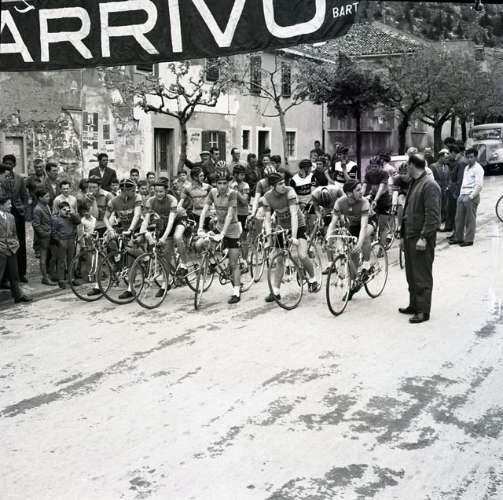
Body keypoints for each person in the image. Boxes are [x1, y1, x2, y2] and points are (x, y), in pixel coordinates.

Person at [263, 172, 321, 302]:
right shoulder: (266, 197)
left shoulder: (290, 192)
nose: (283, 185)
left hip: (298, 225)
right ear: (272, 187)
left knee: (302, 255)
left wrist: (294, 237)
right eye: (280, 184)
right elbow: (267, 219)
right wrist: (268, 239)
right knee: (279, 259)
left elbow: (294, 215)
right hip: (282, 227)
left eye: (283, 182)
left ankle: (313, 280)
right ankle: (275, 292)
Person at [400, 154, 441, 324]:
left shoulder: (429, 185)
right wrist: (402, 236)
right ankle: (414, 305)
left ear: (411, 165)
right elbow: (407, 212)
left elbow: (433, 216)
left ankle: (423, 311)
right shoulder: (415, 182)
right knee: (411, 274)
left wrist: (424, 237)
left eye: (406, 165)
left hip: (421, 237)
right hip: (410, 236)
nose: (405, 168)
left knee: (421, 275)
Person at [198, 173, 242, 305]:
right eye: (219, 183)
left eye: (225, 183)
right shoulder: (212, 192)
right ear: (216, 184)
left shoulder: (232, 193)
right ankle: (212, 263)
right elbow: (204, 210)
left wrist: (223, 233)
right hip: (219, 226)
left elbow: (230, 215)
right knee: (200, 244)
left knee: (233, 264)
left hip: (232, 230)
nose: (222, 186)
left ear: (228, 183)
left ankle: (236, 292)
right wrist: (200, 228)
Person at [326, 180, 374, 300]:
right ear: (349, 194)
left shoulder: (364, 202)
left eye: (361, 189)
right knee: (352, 255)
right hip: (353, 225)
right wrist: (328, 238)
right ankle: (353, 284)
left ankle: (367, 265)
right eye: (358, 190)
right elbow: (333, 222)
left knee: (364, 236)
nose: (361, 192)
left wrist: (359, 243)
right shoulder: (340, 202)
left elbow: (364, 226)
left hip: (369, 222)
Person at [141, 179, 185, 296]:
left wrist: (164, 238)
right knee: (165, 256)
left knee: (177, 237)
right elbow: (146, 220)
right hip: (164, 223)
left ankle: (184, 264)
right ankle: (165, 284)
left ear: (166, 191)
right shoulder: (150, 201)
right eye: (156, 191)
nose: (158, 194)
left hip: (178, 220)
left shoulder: (172, 200)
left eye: (161, 191)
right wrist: (143, 232)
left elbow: (171, 221)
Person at [102, 178, 143, 300]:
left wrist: (131, 229)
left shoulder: (137, 197)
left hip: (138, 227)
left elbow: (137, 215)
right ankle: (119, 269)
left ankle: (144, 259)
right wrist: (110, 229)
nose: (134, 192)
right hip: (124, 229)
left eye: (135, 190)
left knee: (131, 253)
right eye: (132, 191)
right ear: (124, 190)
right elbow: (105, 218)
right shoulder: (113, 201)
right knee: (109, 243)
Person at [1, 155, 29, 283]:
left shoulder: (19, 179)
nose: (8, 165)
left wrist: (23, 208)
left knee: (20, 242)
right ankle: (6, 277)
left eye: (10, 163)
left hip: (17, 213)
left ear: (14, 165)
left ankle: (21, 273)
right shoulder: (0, 178)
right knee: (5, 243)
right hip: (4, 212)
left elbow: (25, 196)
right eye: (6, 163)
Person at [0, 191, 31, 304]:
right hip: (1, 250)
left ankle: (18, 295)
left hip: (12, 249)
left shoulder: (11, 217)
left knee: (14, 275)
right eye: (8, 204)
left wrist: (16, 243)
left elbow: (14, 233)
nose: (11, 206)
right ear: (1, 205)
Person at [449, 148, 484, 247]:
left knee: (470, 219)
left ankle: (469, 239)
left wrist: (471, 196)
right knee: (458, 219)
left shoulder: (478, 169)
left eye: (471, 157)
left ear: (476, 157)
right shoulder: (466, 168)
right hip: (462, 195)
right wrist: (460, 195)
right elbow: (464, 183)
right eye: (467, 157)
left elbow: (479, 186)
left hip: (471, 196)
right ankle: (458, 238)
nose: (469, 159)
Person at [311, 183, 344, 274]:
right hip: (326, 212)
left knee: (343, 222)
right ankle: (330, 264)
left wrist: (341, 216)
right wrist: (320, 218)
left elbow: (345, 202)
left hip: (338, 208)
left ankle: (347, 247)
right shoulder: (314, 195)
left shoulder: (337, 190)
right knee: (328, 238)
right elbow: (316, 209)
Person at [51, 201, 81, 289]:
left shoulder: (71, 217)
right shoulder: (56, 219)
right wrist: (59, 240)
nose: (66, 211)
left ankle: (71, 278)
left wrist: (72, 213)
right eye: (64, 210)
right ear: (59, 210)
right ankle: (61, 280)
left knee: (71, 260)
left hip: (71, 240)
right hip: (62, 240)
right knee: (61, 261)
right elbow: (53, 232)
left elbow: (78, 221)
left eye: (67, 209)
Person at [32, 189, 57, 286]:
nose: (49, 198)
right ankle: (45, 278)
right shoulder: (37, 209)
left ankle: (51, 274)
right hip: (43, 238)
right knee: (43, 258)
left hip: (50, 235)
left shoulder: (46, 206)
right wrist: (44, 234)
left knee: (54, 255)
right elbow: (36, 225)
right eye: (46, 196)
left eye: (49, 196)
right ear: (40, 198)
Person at [230, 165, 250, 261]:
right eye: (241, 175)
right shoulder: (229, 184)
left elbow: (244, 201)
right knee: (232, 238)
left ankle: (245, 260)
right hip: (232, 214)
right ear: (235, 175)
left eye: (244, 175)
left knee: (243, 238)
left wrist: (236, 191)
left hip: (242, 214)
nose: (243, 177)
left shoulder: (245, 185)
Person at [444, 144, 466, 234]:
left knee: (457, 213)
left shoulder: (461, 162)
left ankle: (457, 233)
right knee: (453, 212)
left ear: (453, 152)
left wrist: (456, 193)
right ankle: (455, 232)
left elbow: (460, 179)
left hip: (457, 191)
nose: (448, 155)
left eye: (449, 153)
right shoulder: (459, 161)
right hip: (454, 189)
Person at [430, 149, 450, 229]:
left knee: (444, 205)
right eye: (445, 158)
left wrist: (448, 186)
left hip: (445, 190)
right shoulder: (433, 166)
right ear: (441, 157)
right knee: (437, 206)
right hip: (436, 189)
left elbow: (448, 178)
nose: (447, 160)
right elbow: (431, 179)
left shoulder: (447, 167)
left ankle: (443, 219)